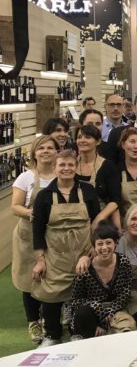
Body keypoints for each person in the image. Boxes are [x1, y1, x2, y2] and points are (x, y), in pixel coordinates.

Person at [31, 150, 100, 347]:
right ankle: (52, 334)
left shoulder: (88, 191)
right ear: (54, 168)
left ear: (76, 167)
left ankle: (78, 332)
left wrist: (92, 250)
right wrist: (40, 260)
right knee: (51, 295)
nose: (66, 168)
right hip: (55, 256)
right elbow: (37, 230)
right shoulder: (44, 196)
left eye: (70, 165)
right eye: (62, 165)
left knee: (83, 295)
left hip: (83, 253)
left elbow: (97, 221)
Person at [11, 135, 58, 345]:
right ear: (34, 153)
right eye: (41, 148)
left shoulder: (62, 174)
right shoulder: (25, 177)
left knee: (53, 277)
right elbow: (15, 206)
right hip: (28, 236)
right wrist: (32, 213)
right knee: (29, 279)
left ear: (57, 152)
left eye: (50, 148)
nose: (46, 151)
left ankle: (50, 320)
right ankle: (33, 322)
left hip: (55, 235)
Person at [65, 222, 135, 340]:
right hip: (90, 313)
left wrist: (109, 313)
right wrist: (100, 311)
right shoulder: (85, 268)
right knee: (83, 313)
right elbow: (76, 300)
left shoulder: (124, 262)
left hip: (115, 310)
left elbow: (125, 292)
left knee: (127, 328)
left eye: (108, 242)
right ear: (94, 246)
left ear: (116, 243)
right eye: (100, 244)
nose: (104, 248)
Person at [75, 124, 121, 227]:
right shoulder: (70, 165)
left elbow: (115, 200)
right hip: (75, 220)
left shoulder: (108, 166)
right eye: (79, 137)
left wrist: (98, 218)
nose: (82, 140)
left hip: (100, 224)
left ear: (98, 141)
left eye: (87, 137)